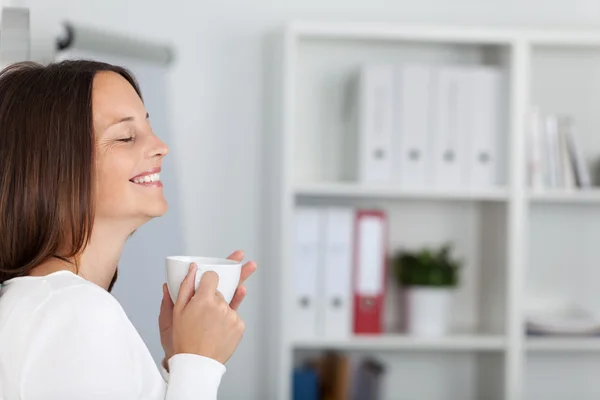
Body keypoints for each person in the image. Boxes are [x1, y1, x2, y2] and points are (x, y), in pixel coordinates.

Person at [0, 60, 256, 400]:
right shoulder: (75, 312)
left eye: (148, 127)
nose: (160, 146)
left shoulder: (43, 304)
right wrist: (198, 365)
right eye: (126, 136)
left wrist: (179, 360)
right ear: (56, 170)